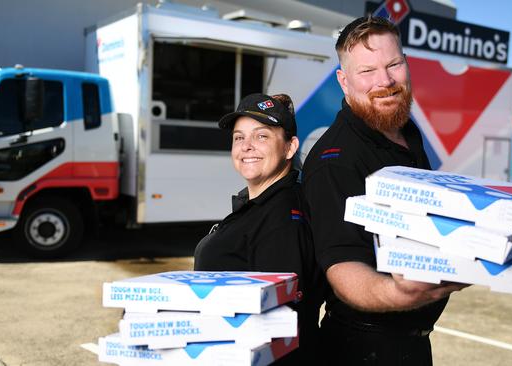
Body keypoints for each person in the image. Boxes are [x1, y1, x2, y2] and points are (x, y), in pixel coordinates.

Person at [301, 16, 469, 365]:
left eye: (394, 64)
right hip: (359, 349)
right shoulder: (336, 159)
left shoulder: (403, 129)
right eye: (367, 71)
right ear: (344, 82)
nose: (386, 81)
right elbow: (343, 267)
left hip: (411, 346)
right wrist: (402, 293)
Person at [194, 93, 323, 365]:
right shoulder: (260, 205)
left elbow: (279, 324)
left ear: (290, 148)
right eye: (239, 137)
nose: (247, 146)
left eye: (261, 136)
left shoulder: (283, 218)